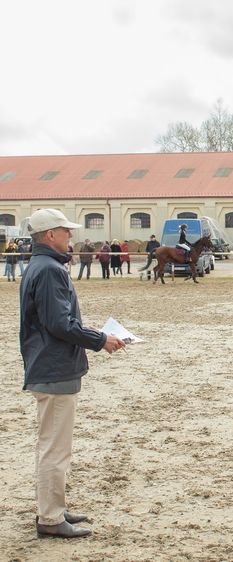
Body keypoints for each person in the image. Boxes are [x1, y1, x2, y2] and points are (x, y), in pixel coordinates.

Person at [19, 208, 126, 538]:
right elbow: (58, 324)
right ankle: (50, 518)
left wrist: (85, 330)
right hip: (54, 367)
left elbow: (55, 320)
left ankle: (53, 507)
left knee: (51, 444)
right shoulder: (50, 270)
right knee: (55, 447)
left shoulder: (40, 266)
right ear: (50, 235)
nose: (71, 236)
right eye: (66, 231)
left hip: (49, 364)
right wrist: (100, 339)